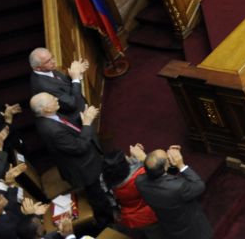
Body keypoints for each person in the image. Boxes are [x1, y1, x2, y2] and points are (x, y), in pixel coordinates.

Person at [30, 92, 114, 230]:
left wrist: (83, 118)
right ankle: (107, 222)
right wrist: (87, 123)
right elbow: (80, 147)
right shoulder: (53, 130)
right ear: (46, 109)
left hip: (79, 162)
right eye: (52, 100)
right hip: (84, 169)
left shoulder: (47, 117)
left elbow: (67, 127)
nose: (56, 99)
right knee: (97, 198)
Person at [134, 146, 211, 239]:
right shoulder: (178, 187)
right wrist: (181, 165)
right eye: (167, 157)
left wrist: (170, 164)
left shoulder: (139, 181)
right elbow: (199, 185)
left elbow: (157, 172)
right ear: (165, 166)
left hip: (169, 225)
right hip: (190, 228)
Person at [104, 144, 161, 238]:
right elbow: (157, 174)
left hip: (129, 217)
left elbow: (111, 201)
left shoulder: (104, 178)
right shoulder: (140, 174)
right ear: (124, 165)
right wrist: (142, 156)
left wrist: (133, 157)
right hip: (148, 214)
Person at [28, 48, 87, 125]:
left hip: (81, 105)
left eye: (52, 57)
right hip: (79, 117)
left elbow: (64, 86)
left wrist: (77, 73)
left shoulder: (47, 69)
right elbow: (71, 104)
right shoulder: (44, 86)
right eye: (47, 61)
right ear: (38, 68)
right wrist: (76, 78)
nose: (53, 61)